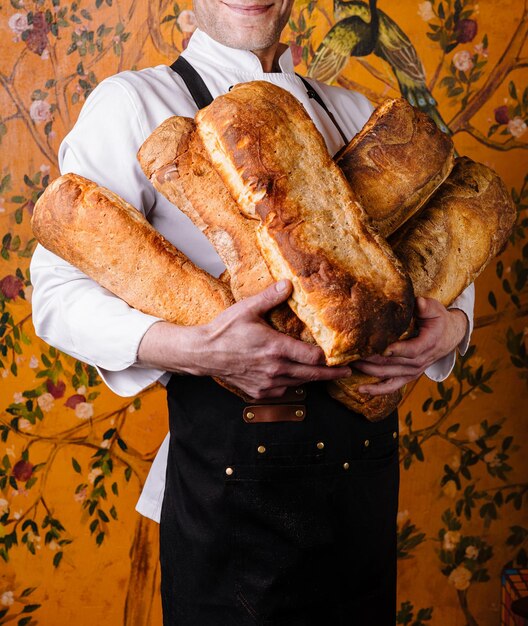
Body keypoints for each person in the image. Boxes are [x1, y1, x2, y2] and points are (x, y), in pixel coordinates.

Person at [30, 1, 474, 623]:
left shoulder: (352, 111)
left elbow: (435, 257)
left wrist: (450, 329)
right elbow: (54, 294)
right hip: (231, 497)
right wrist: (197, 351)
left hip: (361, 490)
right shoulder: (136, 104)